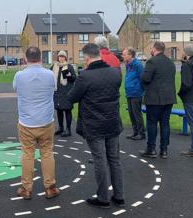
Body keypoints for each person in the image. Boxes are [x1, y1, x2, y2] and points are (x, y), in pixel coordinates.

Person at [68, 43, 124, 208]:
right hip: (112, 121)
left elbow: (72, 97)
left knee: (100, 160)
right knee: (114, 159)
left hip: (94, 124)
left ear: (86, 58)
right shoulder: (115, 73)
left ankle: (103, 197)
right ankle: (119, 196)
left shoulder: (85, 77)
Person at [13, 46, 60, 200]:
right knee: (47, 153)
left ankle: (26, 188)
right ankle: (50, 187)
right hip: (46, 121)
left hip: (27, 122)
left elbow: (15, 89)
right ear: (41, 57)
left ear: (26, 58)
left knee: (27, 154)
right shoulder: (49, 74)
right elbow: (54, 88)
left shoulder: (19, 76)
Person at [140, 41, 176, 159]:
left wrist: (143, 76)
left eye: (151, 48)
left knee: (152, 123)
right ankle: (164, 150)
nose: (151, 49)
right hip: (169, 98)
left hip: (154, 98)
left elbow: (146, 78)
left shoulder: (152, 61)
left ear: (154, 49)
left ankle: (151, 149)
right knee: (165, 124)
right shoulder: (170, 62)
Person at [50, 50, 77, 137]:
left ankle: (68, 130)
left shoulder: (69, 66)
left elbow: (74, 78)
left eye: (62, 56)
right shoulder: (54, 66)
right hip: (57, 92)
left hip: (67, 92)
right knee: (59, 110)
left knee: (67, 110)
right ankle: (60, 128)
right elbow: (48, 75)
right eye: (59, 56)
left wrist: (68, 75)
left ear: (65, 57)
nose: (61, 58)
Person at [122, 47, 146, 140]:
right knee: (131, 113)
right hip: (129, 93)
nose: (122, 56)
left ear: (130, 55)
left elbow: (142, 78)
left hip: (136, 93)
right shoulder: (128, 65)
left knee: (137, 114)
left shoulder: (137, 65)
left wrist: (140, 90)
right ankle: (135, 132)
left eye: (124, 54)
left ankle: (141, 133)